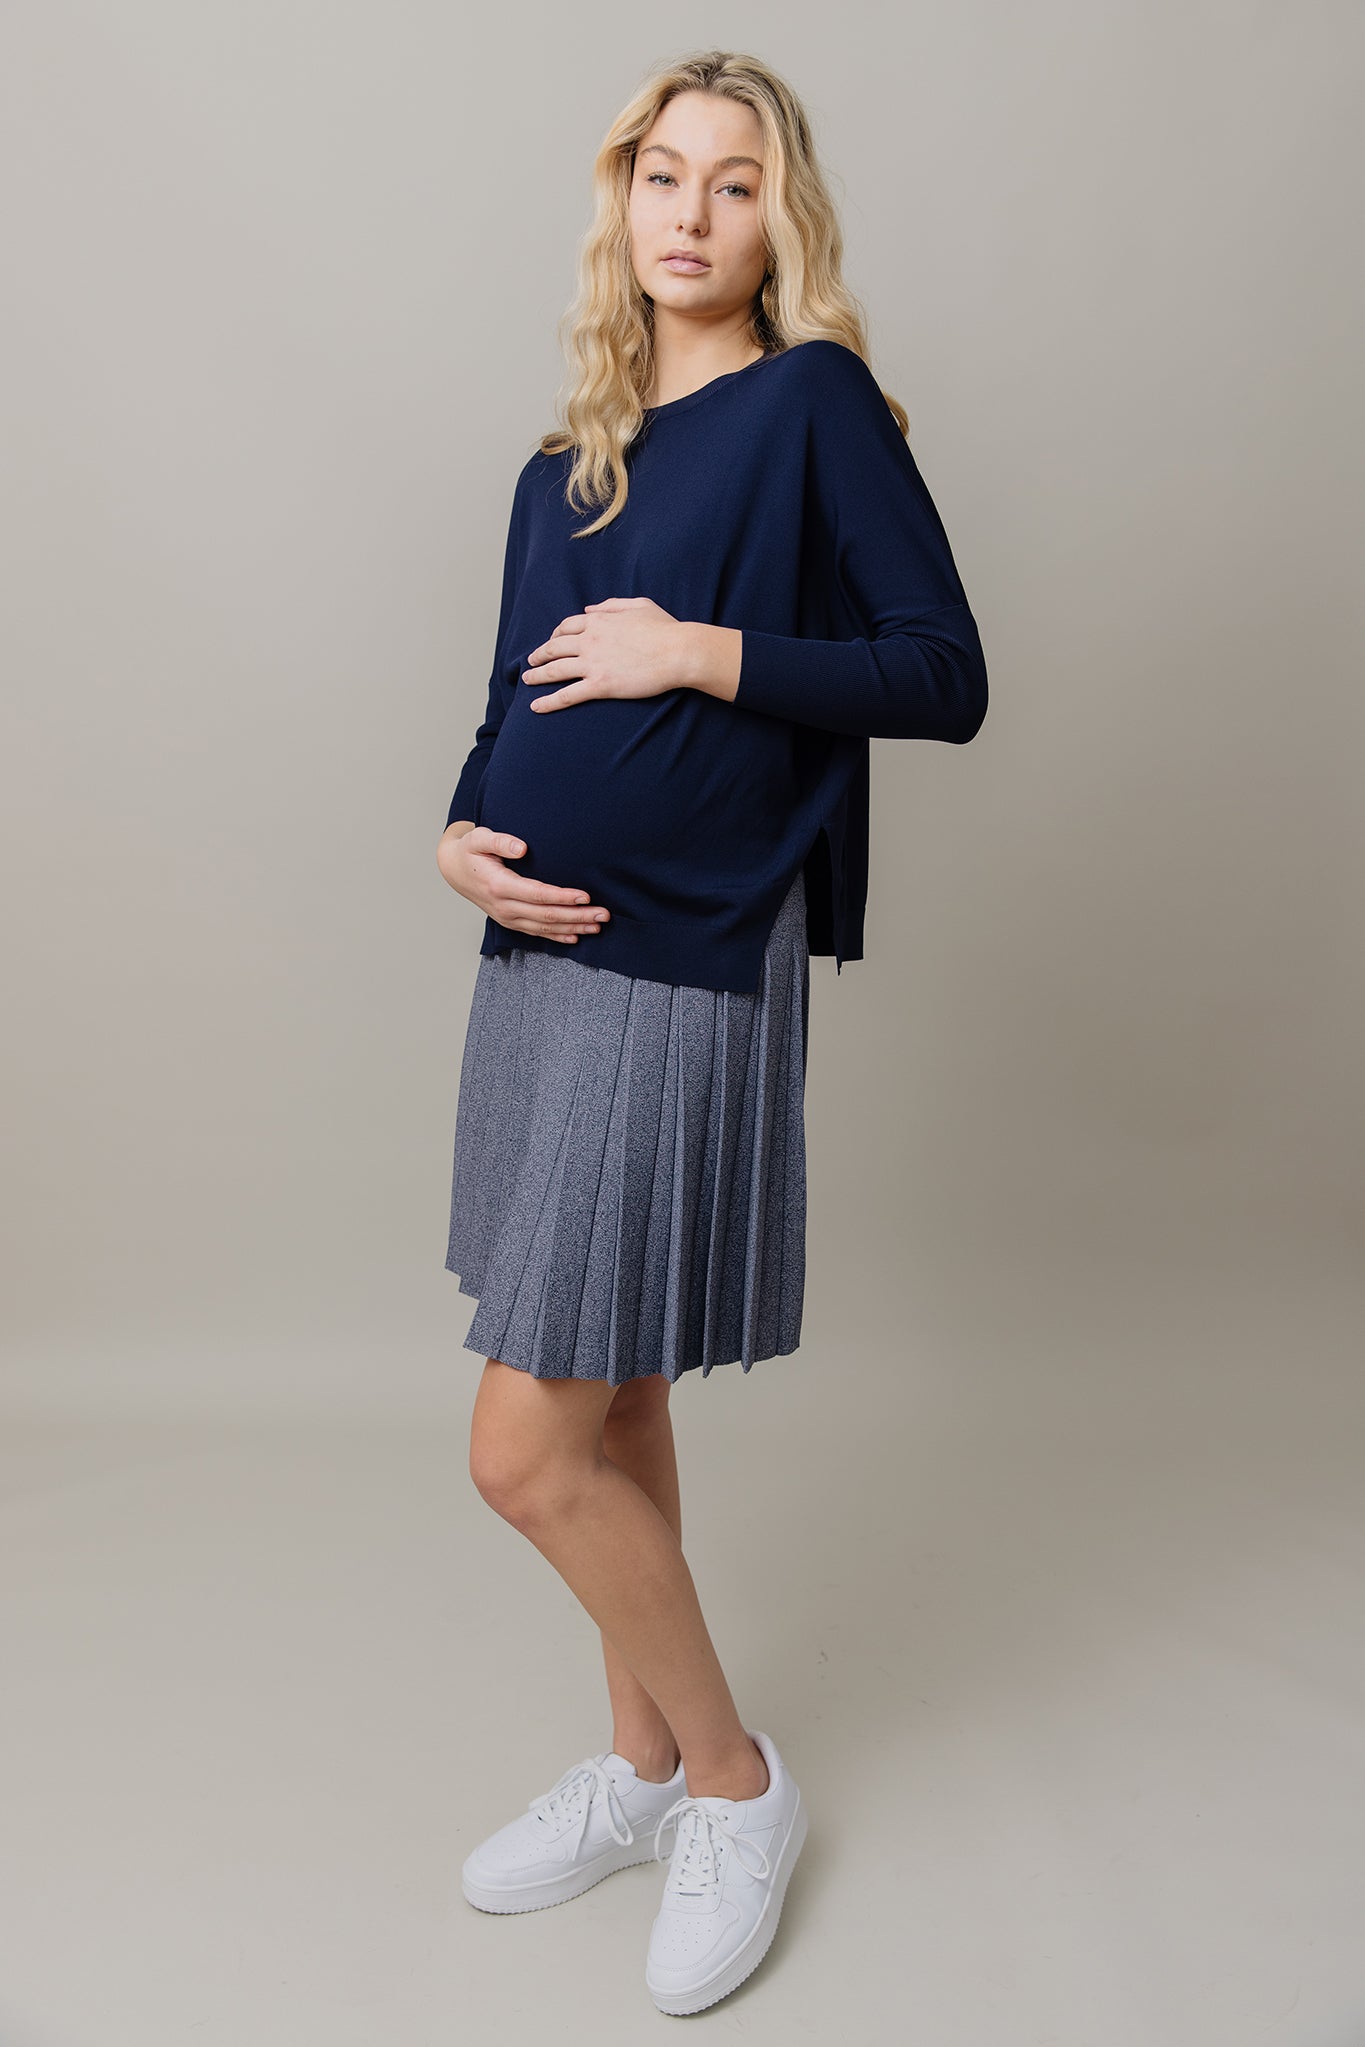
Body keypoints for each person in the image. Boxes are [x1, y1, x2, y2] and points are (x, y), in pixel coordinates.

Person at [434, 50, 987, 2017]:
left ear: (779, 217)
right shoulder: (562, 465)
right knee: (616, 1398)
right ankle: (645, 1765)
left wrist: (696, 650)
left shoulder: (808, 405)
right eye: (661, 174)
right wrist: (453, 835)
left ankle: (736, 1782)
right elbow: (504, 707)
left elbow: (941, 673)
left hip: (688, 951)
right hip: (537, 964)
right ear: (623, 200)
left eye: (731, 181)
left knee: (523, 1450)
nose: (689, 210)